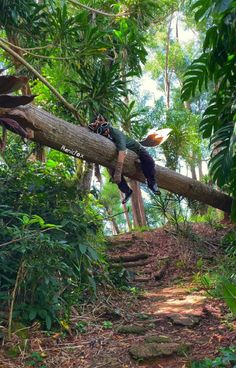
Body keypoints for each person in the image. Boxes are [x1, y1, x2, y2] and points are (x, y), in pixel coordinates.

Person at [88, 114, 161, 204]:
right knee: (114, 175)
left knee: (149, 161)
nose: (105, 133)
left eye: (104, 129)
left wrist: (118, 172)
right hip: (117, 157)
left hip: (137, 149)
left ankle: (151, 184)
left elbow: (122, 152)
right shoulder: (101, 136)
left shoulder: (116, 133)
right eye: (101, 131)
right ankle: (127, 191)